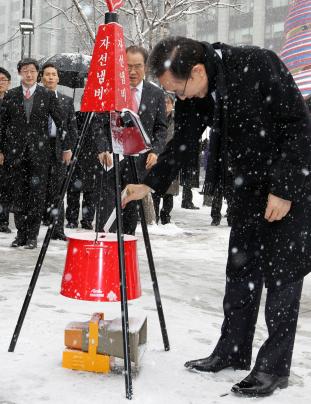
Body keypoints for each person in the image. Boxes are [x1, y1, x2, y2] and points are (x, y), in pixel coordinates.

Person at [122, 36, 311, 397]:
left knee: (282, 278)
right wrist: (149, 184)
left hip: (285, 190)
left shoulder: (259, 65)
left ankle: (273, 369)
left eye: (177, 89)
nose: (179, 97)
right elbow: (185, 140)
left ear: (196, 71)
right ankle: (233, 351)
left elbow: (298, 126)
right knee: (240, 272)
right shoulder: (199, 90)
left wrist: (284, 190)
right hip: (245, 191)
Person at [95, 45, 167, 235]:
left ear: (146, 67)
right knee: (107, 215)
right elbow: (99, 124)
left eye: (138, 66)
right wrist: (103, 148)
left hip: (139, 163)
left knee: (130, 217)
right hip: (112, 162)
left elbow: (161, 128)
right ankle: (106, 252)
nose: (133, 71)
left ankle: (125, 255)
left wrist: (155, 151)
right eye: (128, 66)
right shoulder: (112, 91)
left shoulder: (156, 94)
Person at [0, 58, 67, 249]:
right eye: (25, 71)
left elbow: (61, 122)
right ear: (20, 73)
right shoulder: (11, 95)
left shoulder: (46, 95)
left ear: (37, 74)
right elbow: (2, 126)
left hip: (40, 155)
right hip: (15, 154)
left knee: (37, 196)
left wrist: (66, 146)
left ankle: (32, 236)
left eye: (32, 71)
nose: (28, 74)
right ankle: (20, 235)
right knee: (19, 195)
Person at [40, 63, 78, 240]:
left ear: (58, 78)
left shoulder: (66, 100)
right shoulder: (36, 98)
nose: (50, 77)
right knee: (36, 189)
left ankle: (57, 229)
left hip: (59, 149)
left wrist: (68, 148)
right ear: (42, 78)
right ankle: (31, 229)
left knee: (58, 191)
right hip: (38, 147)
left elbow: (72, 128)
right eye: (47, 74)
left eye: (53, 74)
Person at [65, 110, 100, 230]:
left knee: (91, 193)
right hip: (77, 156)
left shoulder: (100, 116)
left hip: (94, 157)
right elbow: (70, 132)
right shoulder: (76, 114)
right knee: (73, 191)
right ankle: (71, 219)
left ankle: (87, 220)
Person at [152, 92, 179, 225]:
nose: (165, 105)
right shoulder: (156, 119)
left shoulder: (177, 120)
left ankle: (166, 217)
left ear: (172, 105)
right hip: (157, 158)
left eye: (168, 103)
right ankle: (155, 216)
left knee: (169, 192)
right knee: (155, 191)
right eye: (163, 103)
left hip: (171, 159)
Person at [0, 67, 11, 233]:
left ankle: (3, 222)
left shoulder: (13, 100)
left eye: (3, 80)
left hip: (9, 151)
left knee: (5, 188)